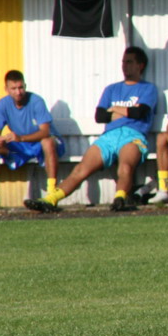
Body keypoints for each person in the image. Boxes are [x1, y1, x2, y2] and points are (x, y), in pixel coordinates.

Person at [24, 47, 158, 213]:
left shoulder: (148, 88)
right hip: (109, 136)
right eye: (123, 62)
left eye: (129, 62)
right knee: (81, 169)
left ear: (141, 65)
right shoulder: (112, 89)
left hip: (133, 135)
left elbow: (141, 112)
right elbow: (100, 116)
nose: (124, 66)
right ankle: (51, 200)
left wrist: (115, 109)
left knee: (125, 166)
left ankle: (120, 198)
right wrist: (127, 111)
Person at [0, 70, 65, 210]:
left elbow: (45, 131)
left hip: (40, 144)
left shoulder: (36, 101)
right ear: (6, 89)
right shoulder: (3, 104)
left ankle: (51, 193)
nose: (18, 92)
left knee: (48, 142)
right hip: (21, 146)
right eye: (14, 88)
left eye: (21, 87)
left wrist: (21, 138)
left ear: (25, 85)